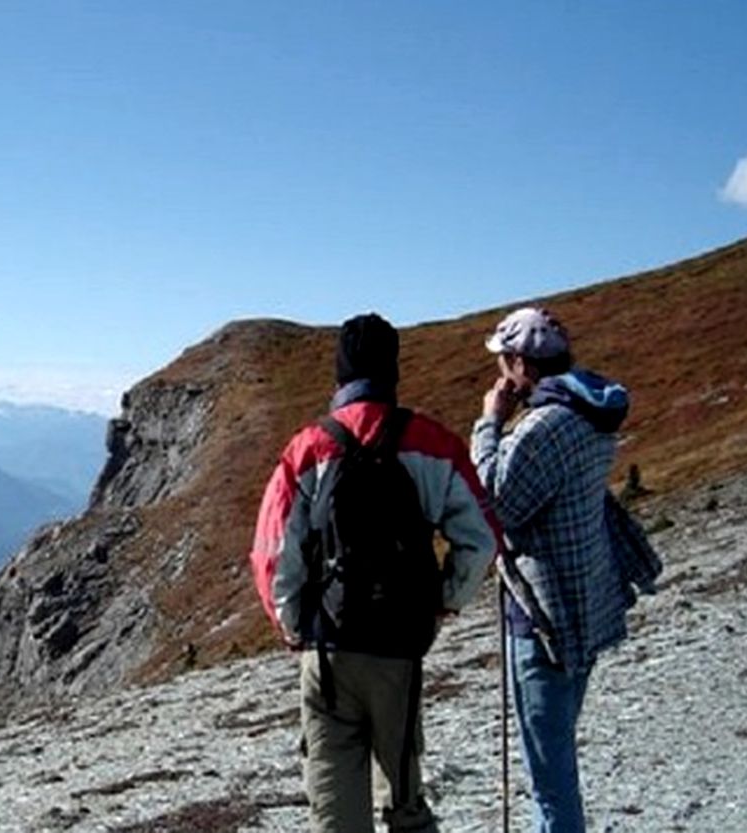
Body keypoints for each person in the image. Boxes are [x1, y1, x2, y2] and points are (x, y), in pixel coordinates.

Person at [249, 313, 500, 832]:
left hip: (331, 650)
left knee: (335, 812)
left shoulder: (308, 448)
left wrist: (295, 627)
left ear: (339, 375)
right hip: (400, 648)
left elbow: (274, 552)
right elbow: (480, 539)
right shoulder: (433, 442)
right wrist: (442, 603)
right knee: (405, 802)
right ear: (393, 370)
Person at [470, 307, 638, 833]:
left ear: (521, 363)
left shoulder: (546, 424)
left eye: (504, 361)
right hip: (584, 601)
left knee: (550, 778)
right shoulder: (589, 412)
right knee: (558, 754)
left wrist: (490, 421)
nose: (500, 372)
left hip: (544, 618)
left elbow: (491, 500)